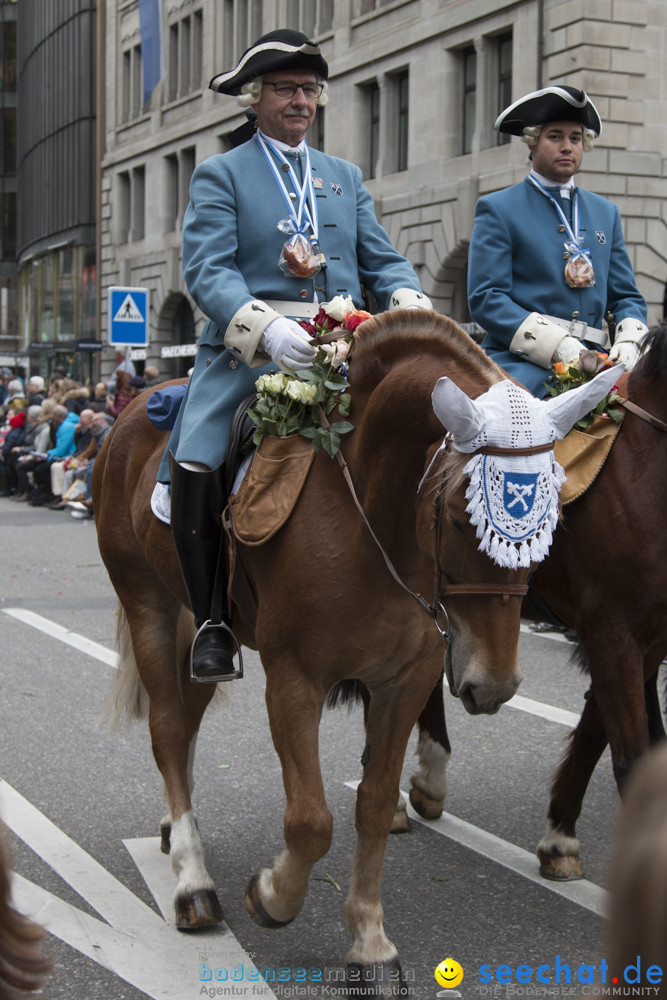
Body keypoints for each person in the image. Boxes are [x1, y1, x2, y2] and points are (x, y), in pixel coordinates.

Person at [157, 29, 432, 682]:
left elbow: (380, 254)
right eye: (285, 88)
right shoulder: (221, 174)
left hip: (343, 347)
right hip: (248, 354)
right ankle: (212, 623)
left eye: (309, 89)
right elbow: (208, 271)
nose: (301, 100)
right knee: (196, 452)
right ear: (255, 99)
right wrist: (267, 328)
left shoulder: (341, 177)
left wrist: (405, 290)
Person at [467, 85, 648, 397]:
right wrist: (558, 346)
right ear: (533, 142)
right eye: (555, 137)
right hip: (521, 364)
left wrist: (630, 340)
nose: (567, 147)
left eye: (575, 138)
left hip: (596, 362)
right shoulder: (499, 208)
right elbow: (487, 298)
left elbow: (625, 297)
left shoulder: (606, 212)